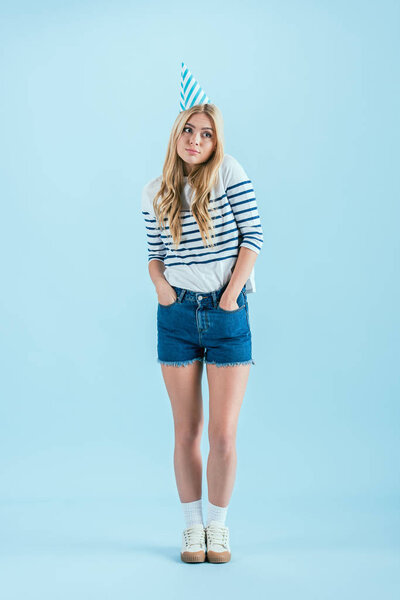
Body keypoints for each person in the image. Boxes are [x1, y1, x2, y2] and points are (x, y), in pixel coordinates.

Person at [141, 64, 264, 563]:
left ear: (216, 142)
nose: (195, 139)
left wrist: (232, 295)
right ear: (176, 135)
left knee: (223, 434)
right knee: (186, 432)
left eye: (206, 133)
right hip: (176, 319)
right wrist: (162, 290)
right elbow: (154, 254)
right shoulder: (155, 191)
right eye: (188, 130)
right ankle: (192, 529)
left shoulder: (229, 172)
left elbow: (253, 239)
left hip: (227, 315)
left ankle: (219, 526)